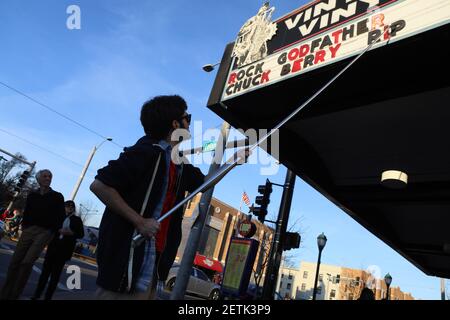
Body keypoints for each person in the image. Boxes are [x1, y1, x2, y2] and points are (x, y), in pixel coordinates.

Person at [90, 95, 206, 300]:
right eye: (187, 117)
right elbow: (100, 185)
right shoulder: (145, 152)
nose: (189, 123)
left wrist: (236, 158)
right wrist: (139, 221)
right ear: (175, 123)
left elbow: (204, 183)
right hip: (127, 260)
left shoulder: (178, 162)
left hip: (154, 262)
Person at [0, 169, 65, 300]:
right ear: (38, 179)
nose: (48, 178)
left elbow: (60, 216)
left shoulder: (57, 196)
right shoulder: (32, 195)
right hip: (28, 230)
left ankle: (14, 295)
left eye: (50, 176)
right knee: (15, 262)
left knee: (27, 262)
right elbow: (27, 211)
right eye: (45, 176)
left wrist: (51, 231)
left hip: (44, 232)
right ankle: (5, 294)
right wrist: (24, 227)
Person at [31, 200, 84, 300]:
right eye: (67, 206)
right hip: (53, 248)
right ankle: (37, 294)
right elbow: (51, 227)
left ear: (74, 208)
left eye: (71, 207)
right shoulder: (58, 217)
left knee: (55, 276)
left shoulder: (76, 220)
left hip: (64, 251)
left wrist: (71, 233)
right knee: (44, 273)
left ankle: (48, 296)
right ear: (64, 207)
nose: (69, 208)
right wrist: (59, 230)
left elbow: (81, 234)